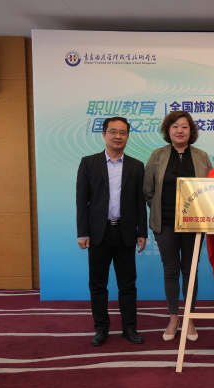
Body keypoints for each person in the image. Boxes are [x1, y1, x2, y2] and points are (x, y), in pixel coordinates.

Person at [76, 116, 148, 346]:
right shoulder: (88, 163)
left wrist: (142, 232)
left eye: (123, 132)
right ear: (104, 134)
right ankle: (101, 328)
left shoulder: (136, 166)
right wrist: (83, 233)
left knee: (128, 284)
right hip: (99, 233)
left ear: (128, 136)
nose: (118, 136)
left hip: (125, 233)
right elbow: (82, 200)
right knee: (98, 284)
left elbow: (140, 202)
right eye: (113, 132)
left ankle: (129, 328)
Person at [143, 111, 213, 342]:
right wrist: (161, 209)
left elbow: (211, 189)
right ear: (168, 131)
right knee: (171, 270)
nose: (179, 130)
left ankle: (189, 318)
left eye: (184, 126)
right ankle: (174, 317)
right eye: (174, 126)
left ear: (191, 131)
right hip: (165, 223)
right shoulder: (157, 155)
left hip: (194, 223)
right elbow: (148, 190)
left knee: (190, 271)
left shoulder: (202, 156)